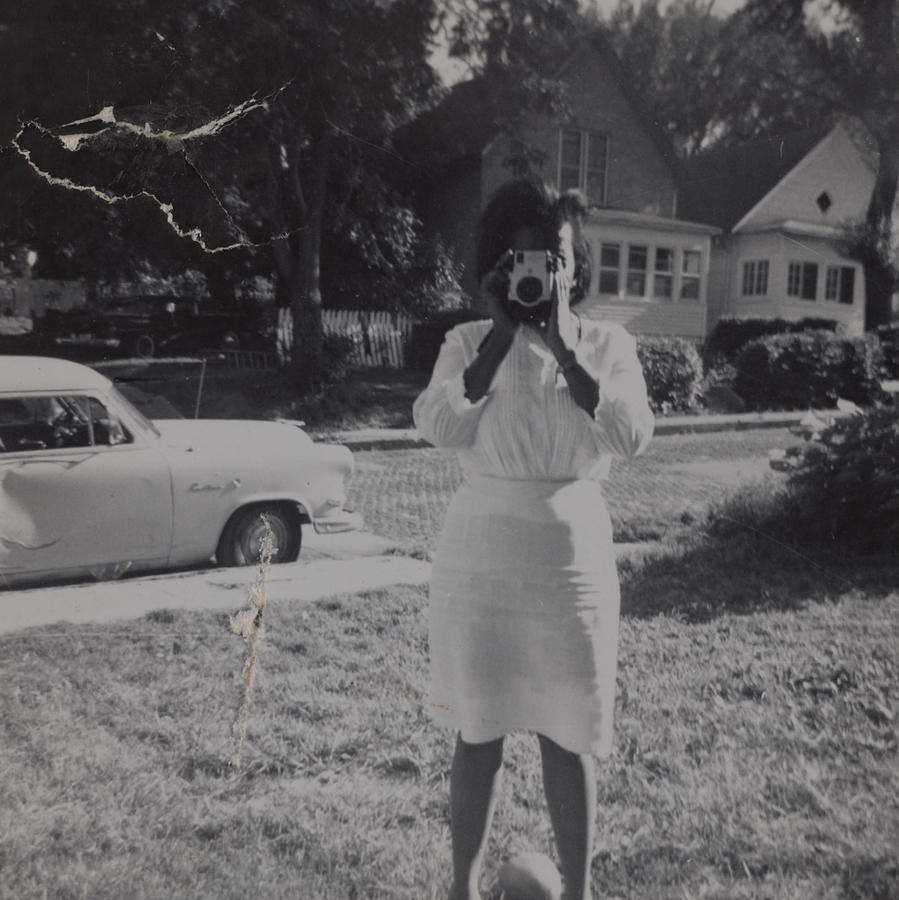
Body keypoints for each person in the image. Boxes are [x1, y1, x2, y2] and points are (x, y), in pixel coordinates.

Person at [413, 178, 655, 900]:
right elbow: (439, 426)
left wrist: (563, 350)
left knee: (568, 735)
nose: (540, 274)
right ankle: (460, 889)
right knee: (476, 732)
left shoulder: (607, 344)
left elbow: (629, 437)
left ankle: (578, 893)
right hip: (480, 562)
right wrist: (498, 335)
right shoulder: (465, 342)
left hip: (571, 568)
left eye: (554, 258)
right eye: (521, 260)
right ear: (497, 267)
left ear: (574, 266)